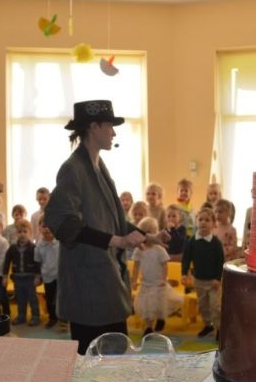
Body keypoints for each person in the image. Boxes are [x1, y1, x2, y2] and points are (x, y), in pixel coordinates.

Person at [43, 100, 168, 355]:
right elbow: (62, 222)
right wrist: (116, 241)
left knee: (115, 352)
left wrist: (150, 237)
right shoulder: (73, 169)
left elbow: (116, 221)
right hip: (87, 281)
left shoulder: (98, 166)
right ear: (94, 127)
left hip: (104, 277)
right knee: (93, 357)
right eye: (109, 126)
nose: (113, 133)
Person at [131, 217, 183, 336]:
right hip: (145, 283)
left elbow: (165, 265)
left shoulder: (159, 249)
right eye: (145, 232)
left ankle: (161, 318)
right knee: (147, 305)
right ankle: (149, 327)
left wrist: (163, 279)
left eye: (151, 232)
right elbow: (136, 266)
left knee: (159, 304)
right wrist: (134, 280)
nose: (148, 235)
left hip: (158, 282)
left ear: (156, 233)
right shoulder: (139, 249)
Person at [182, 207, 225, 340]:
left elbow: (220, 261)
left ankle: (219, 328)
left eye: (207, 220)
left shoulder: (216, 243)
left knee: (215, 306)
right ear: (196, 222)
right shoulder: (192, 241)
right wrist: (184, 273)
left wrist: (218, 278)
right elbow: (186, 258)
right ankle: (208, 325)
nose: (203, 222)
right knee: (203, 306)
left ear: (213, 224)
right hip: (199, 280)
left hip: (213, 282)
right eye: (200, 219)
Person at [3, 219, 41, 326]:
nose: (22, 234)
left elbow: (37, 263)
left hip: (30, 278)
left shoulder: (33, 248)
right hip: (17, 278)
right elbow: (7, 262)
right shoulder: (12, 248)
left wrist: (38, 276)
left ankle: (35, 316)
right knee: (20, 298)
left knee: (32, 298)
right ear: (16, 233)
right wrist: (5, 276)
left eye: (25, 231)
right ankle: (21, 316)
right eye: (20, 232)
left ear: (30, 233)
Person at [34, 217, 60, 328]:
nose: (47, 229)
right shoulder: (39, 245)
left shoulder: (60, 242)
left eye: (50, 226)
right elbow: (37, 261)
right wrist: (38, 276)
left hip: (60, 276)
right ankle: (52, 318)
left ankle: (63, 319)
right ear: (39, 228)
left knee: (60, 298)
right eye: (44, 226)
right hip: (47, 276)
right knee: (49, 298)